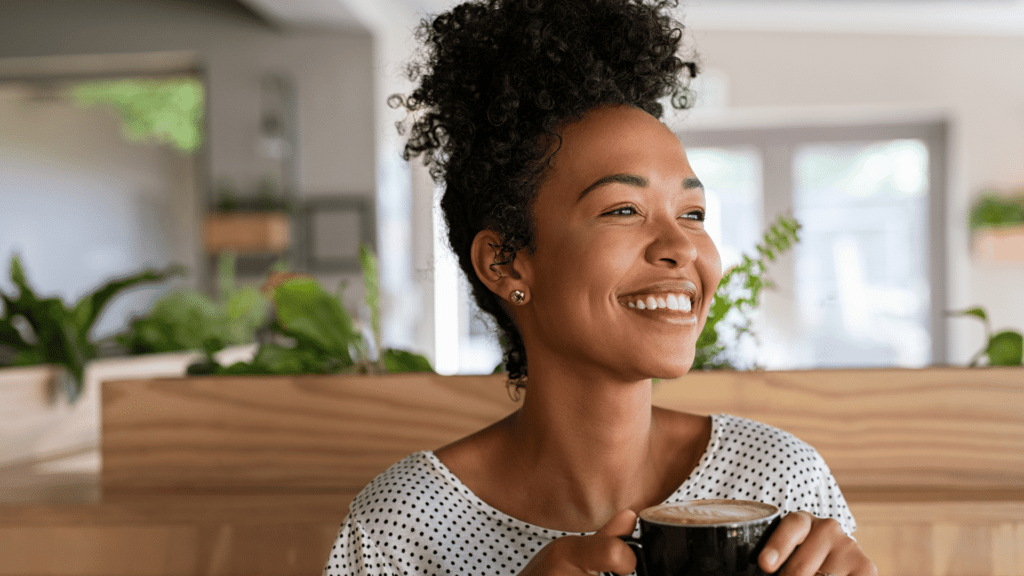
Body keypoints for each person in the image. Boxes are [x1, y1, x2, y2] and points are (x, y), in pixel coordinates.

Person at [324, 0, 877, 574]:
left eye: (692, 214)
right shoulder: (400, 526)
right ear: (507, 264)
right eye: (623, 209)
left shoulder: (779, 480)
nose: (683, 247)